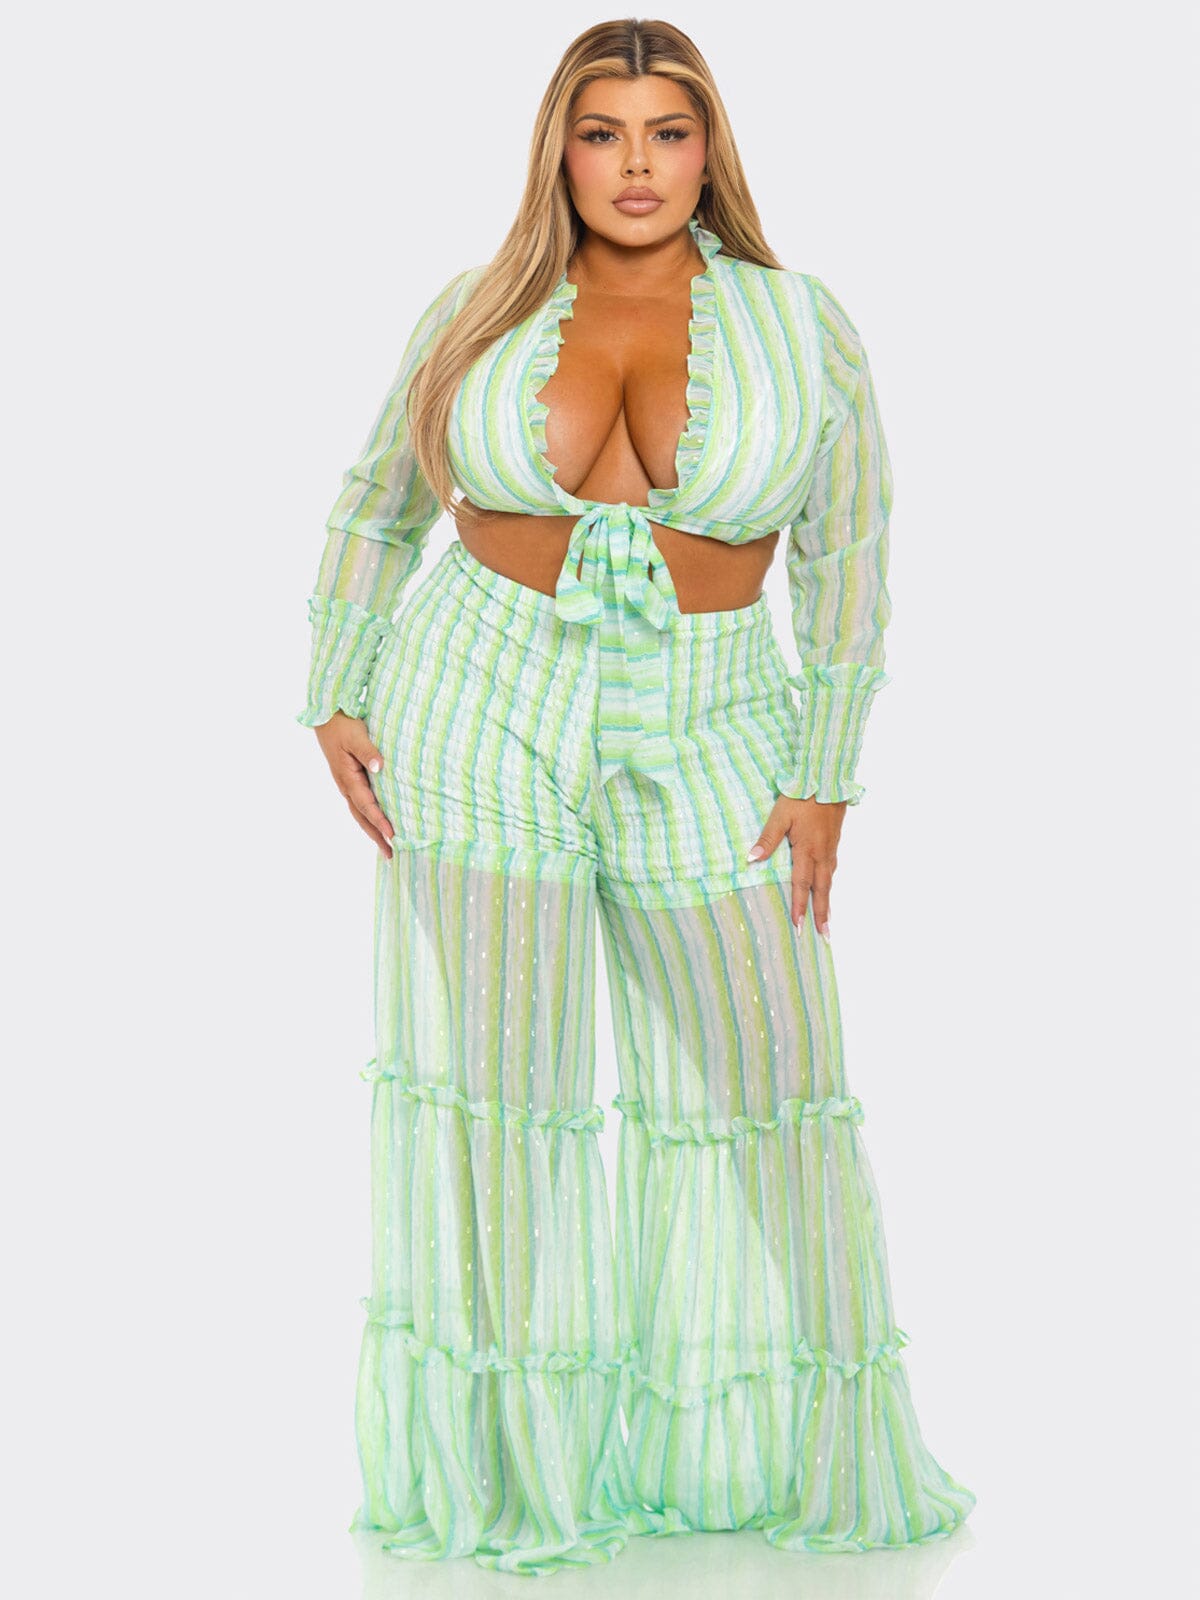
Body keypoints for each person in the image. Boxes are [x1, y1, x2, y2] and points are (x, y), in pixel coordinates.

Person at [296, 16, 976, 1578]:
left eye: (668, 132)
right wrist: (336, 680)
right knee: (507, 1105)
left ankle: (837, 1458)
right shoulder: (473, 310)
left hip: (716, 716)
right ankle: (520, 1485)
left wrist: (824, 775)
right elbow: (376, 504)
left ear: (709, 148)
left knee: (775, 1091)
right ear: (560, 149)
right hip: (478, 702)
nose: (637, 166)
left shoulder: (803, 324)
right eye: (602, 133)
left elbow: (851, 560)